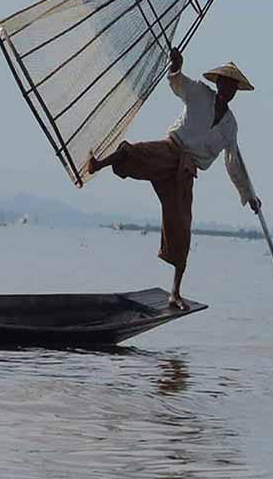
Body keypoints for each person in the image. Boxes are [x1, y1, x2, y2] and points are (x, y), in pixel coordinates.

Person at [87, 48, 261, 310]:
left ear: (236, 91)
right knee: (133, 152)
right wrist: (176, 67)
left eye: (232, 87)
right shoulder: (201, 94)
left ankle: (175, 293)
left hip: (186, 172)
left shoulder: (230, 126)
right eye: (224, 84)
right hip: (170, 150)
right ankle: (98, 164)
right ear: (218, 84)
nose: (227, 90)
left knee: (181, 228)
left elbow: (233, 162)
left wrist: (249, 196)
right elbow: (178, 84)